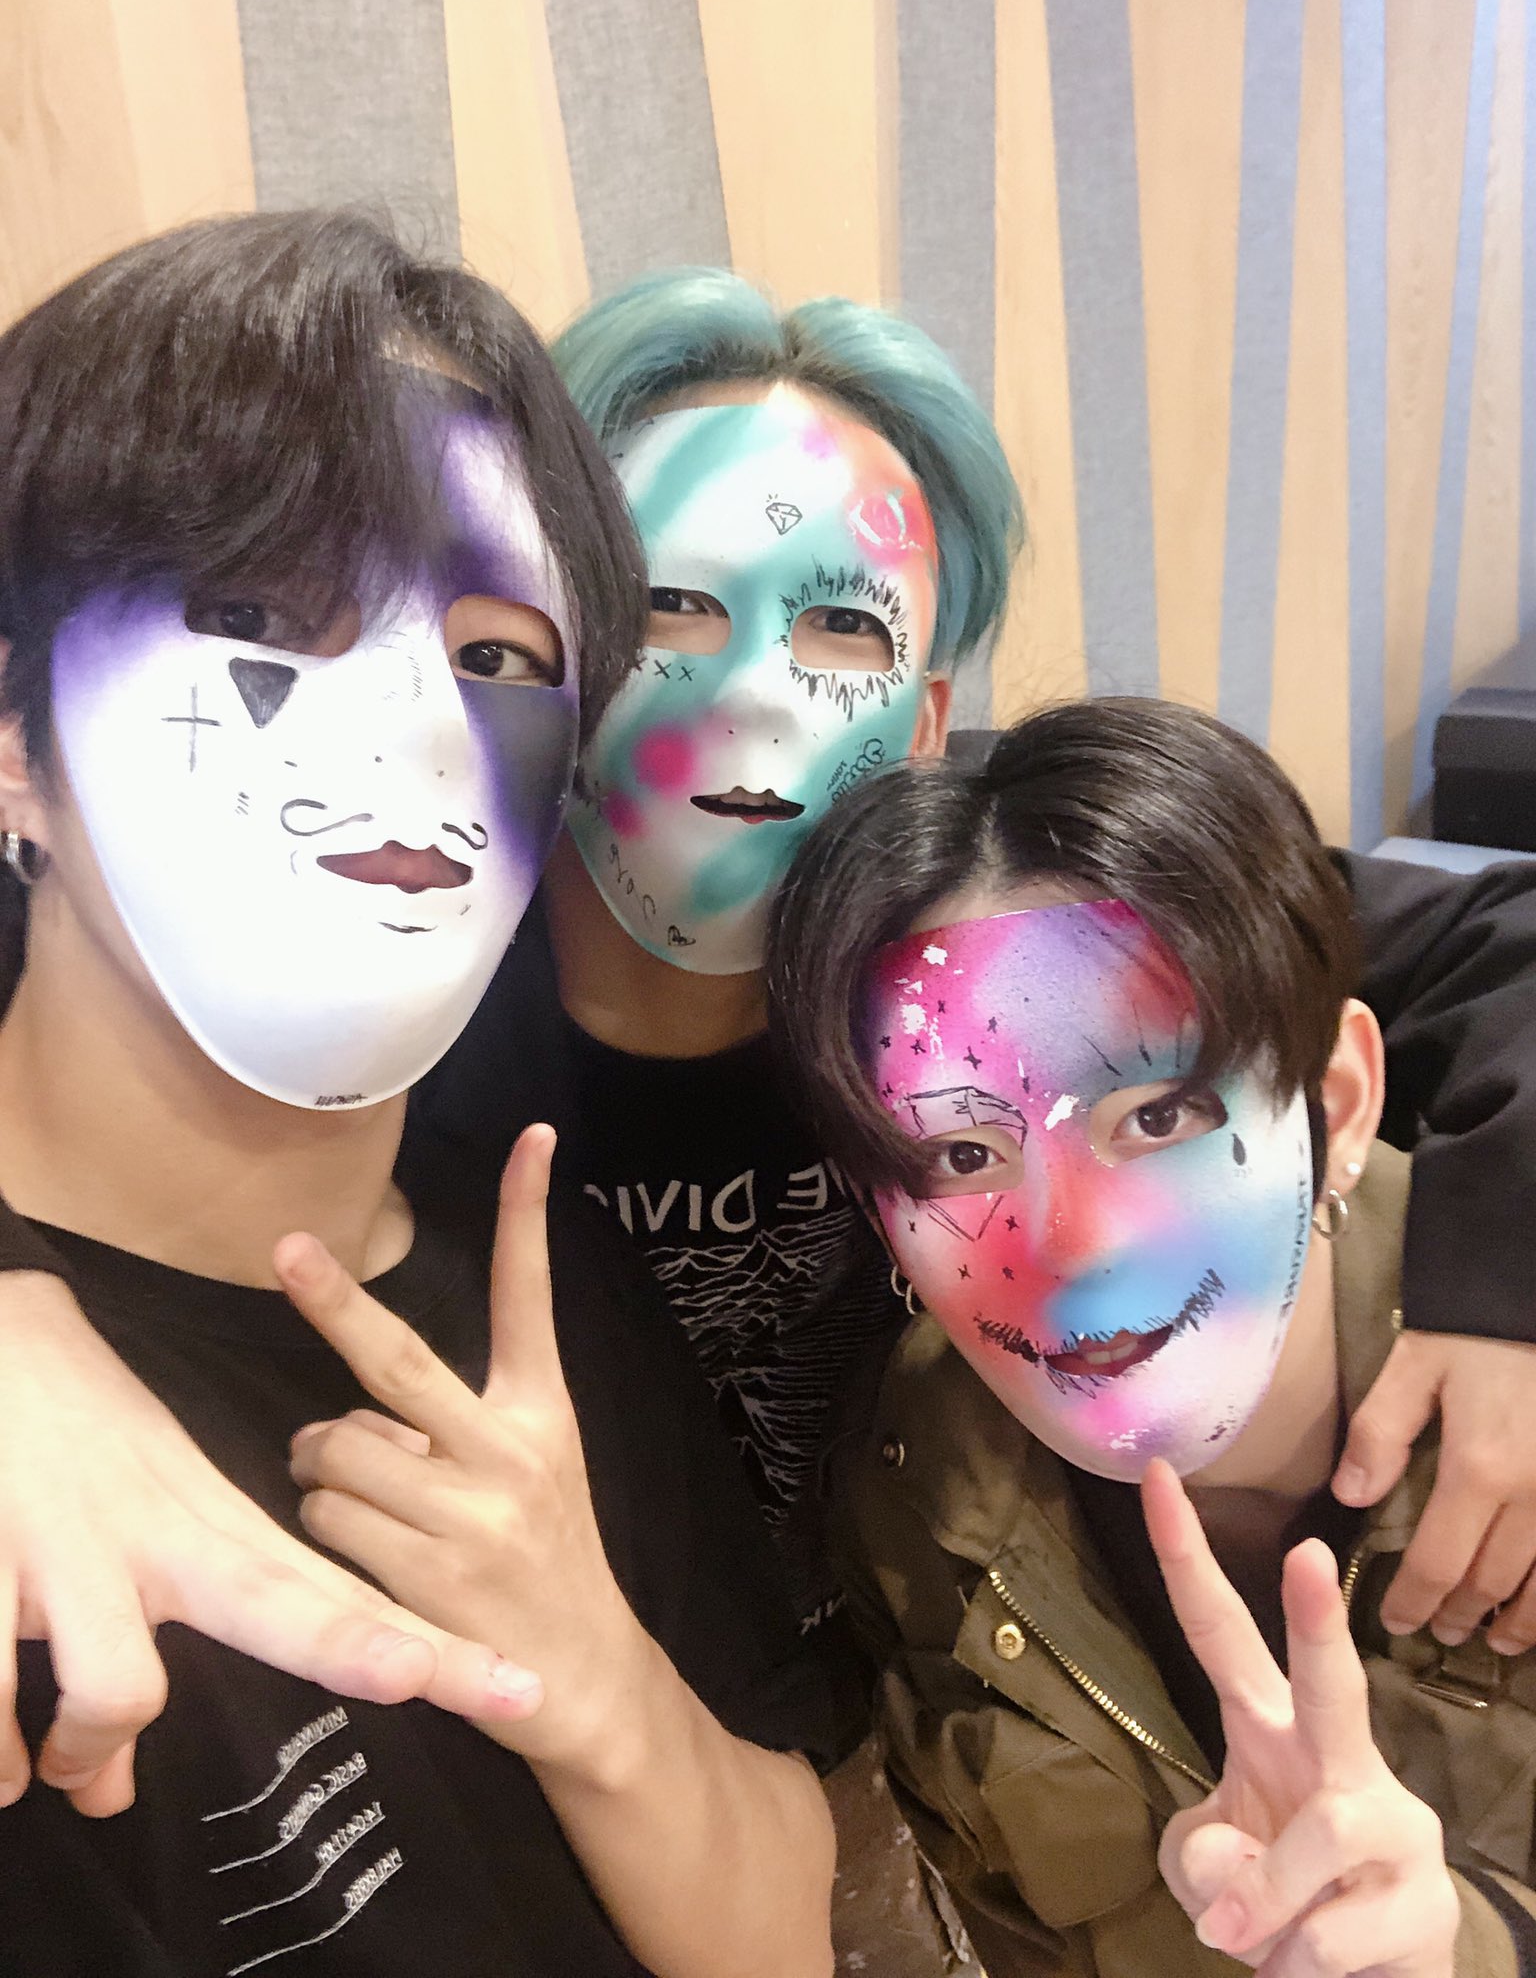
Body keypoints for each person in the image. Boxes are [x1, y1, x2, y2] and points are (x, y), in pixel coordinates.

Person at [9, 266, 1536, 1823]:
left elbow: (1491, 939)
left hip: (922, 1684)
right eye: (670, 609)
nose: (751, 700)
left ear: (925, 719)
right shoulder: (396, 931)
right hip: (548, 1707)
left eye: (842, 631)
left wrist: (1504, 1283)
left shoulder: (994, 913)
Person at [0, 211, 837, 1975]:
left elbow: (785, 1928)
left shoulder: (540, 1275)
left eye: (497, 656)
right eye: (254, 613)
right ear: (16, 733)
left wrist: (596, 1683)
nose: (412, 727)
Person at [765, 695, 1536, 1974]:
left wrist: (1466, 1950)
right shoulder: (912, 1485)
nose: (1074, 1243)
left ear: (1339, 1103)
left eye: (1161, 1115)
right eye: (963, 1155)